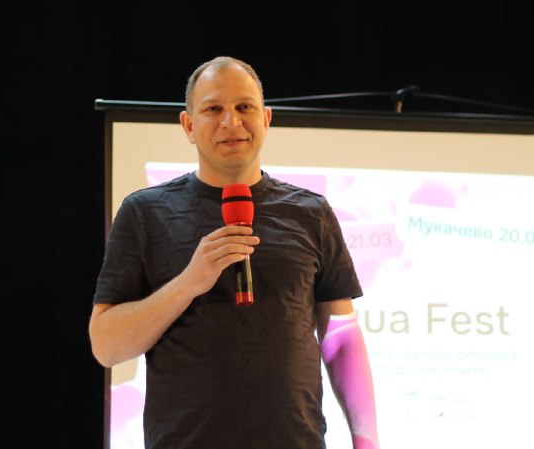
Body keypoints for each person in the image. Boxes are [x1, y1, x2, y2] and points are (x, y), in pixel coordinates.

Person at [89, 56, 379, 449]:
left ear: (266, 119)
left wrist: (367, 440)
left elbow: (340, 336)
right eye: (213, 109)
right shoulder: (145, 212)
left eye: (245, 107)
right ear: (188, 126)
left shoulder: (311, 212)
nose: (231, 121)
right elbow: (106, 346)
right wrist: (189, 283)